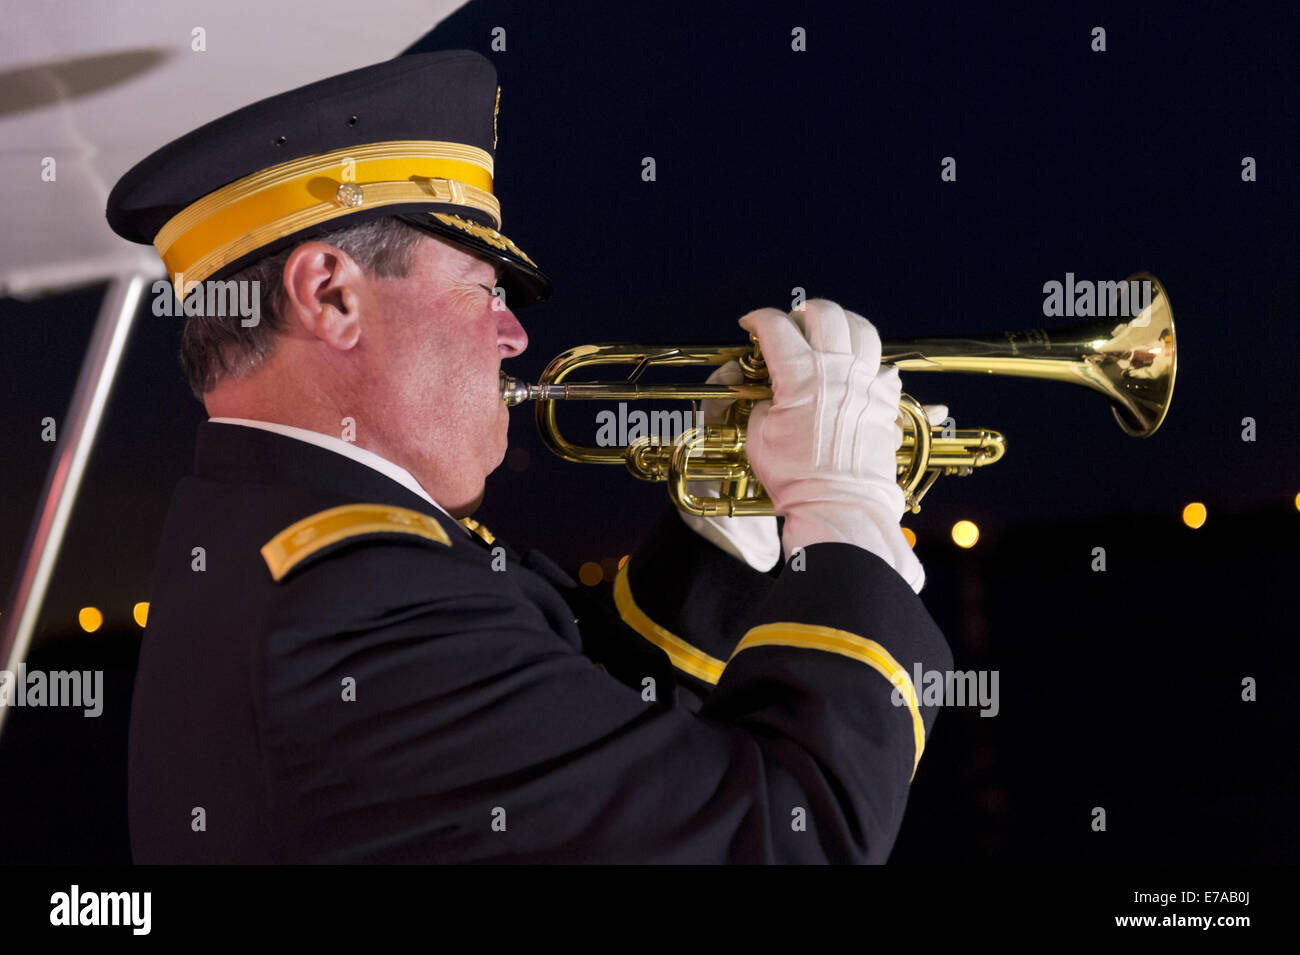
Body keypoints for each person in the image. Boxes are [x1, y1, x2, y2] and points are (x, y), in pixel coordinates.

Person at [106, 49, 952, 863]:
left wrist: (726, 531)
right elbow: (791, 836)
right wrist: (846, 516)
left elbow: (580, 720)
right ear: (330, 294)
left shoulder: (288, 550)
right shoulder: (355, 606)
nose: (512, 334)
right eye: (483, 287)